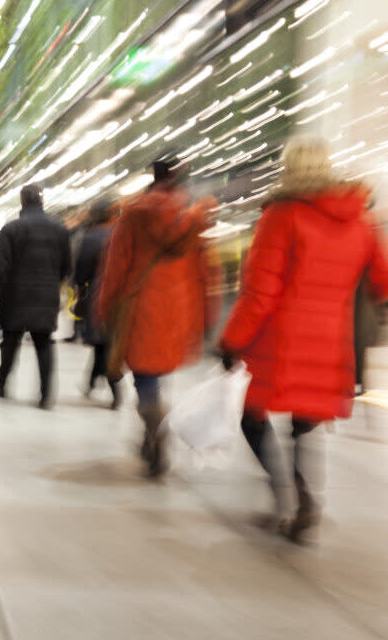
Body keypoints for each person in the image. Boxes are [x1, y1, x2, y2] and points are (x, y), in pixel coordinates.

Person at [219, 138, 388, 544]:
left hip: (279, 341)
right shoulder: (359, 220)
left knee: (251, 417)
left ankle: (286, 491)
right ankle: (306, 499)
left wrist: (231, 341)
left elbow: (261, 293)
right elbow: (382, 280)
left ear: (288, 168)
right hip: (331, 342)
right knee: (304, 424)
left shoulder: (282, 215)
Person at [98, 158, 217, 478]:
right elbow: (205, 272)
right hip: (179, 308)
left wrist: (105, 306)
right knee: (159, 369)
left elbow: (117, 265)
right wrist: (207, 315)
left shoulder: (134, 214)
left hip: (141, 305)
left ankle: (154, 424)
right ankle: (154, 427)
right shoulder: (190, 218)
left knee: (144, 375)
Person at [0, 184, 71, 408]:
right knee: (44, 344)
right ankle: (46, 396)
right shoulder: (59, 230)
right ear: (42, 201)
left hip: (14, 297)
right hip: (46, 296)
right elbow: (66, 265)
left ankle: (2, 384)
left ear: (22, 201)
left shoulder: (11, 229)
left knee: (10, 342)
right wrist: (54, 282)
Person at [74, 198, 120, 409]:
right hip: (120, 294)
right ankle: (92, 382)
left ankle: (115, 390)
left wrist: (80, 289)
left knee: (103, 343)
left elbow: (81, 269)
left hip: (97, 292)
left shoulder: (91, 237)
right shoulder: (120, 234)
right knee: (106, 342)